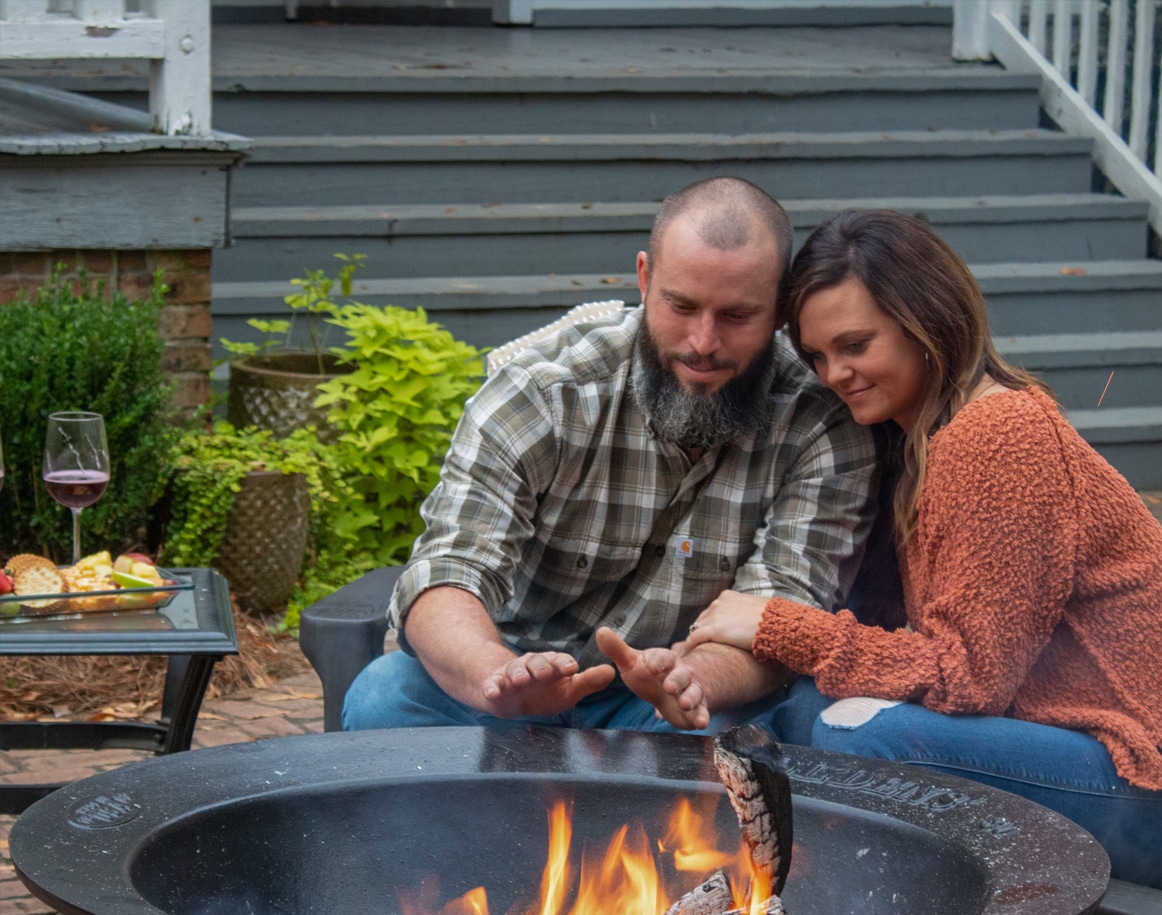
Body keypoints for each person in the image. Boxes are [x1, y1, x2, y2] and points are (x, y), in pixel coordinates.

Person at [682, 208, 1162, 915]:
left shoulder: (995, 433)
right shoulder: (930, 436)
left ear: (929, 319)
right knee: (794, 727)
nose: (836, 374)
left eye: (856, 345)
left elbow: (967, 678)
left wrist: (771, 623)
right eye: (819, 353)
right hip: (1097, 757)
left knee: (862, 742)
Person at [341, 177, 879, 734]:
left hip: (671, 714)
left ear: (779, 311)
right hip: (511, 681)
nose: (702, 341)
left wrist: (692, 682)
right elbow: (449, 570)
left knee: (765, 730)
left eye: (737, 316)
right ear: (645, 279)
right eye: (682, 305)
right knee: (385, 697)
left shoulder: (821, 421)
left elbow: (784, 611)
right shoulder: (544, 391)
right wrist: (498, 677)